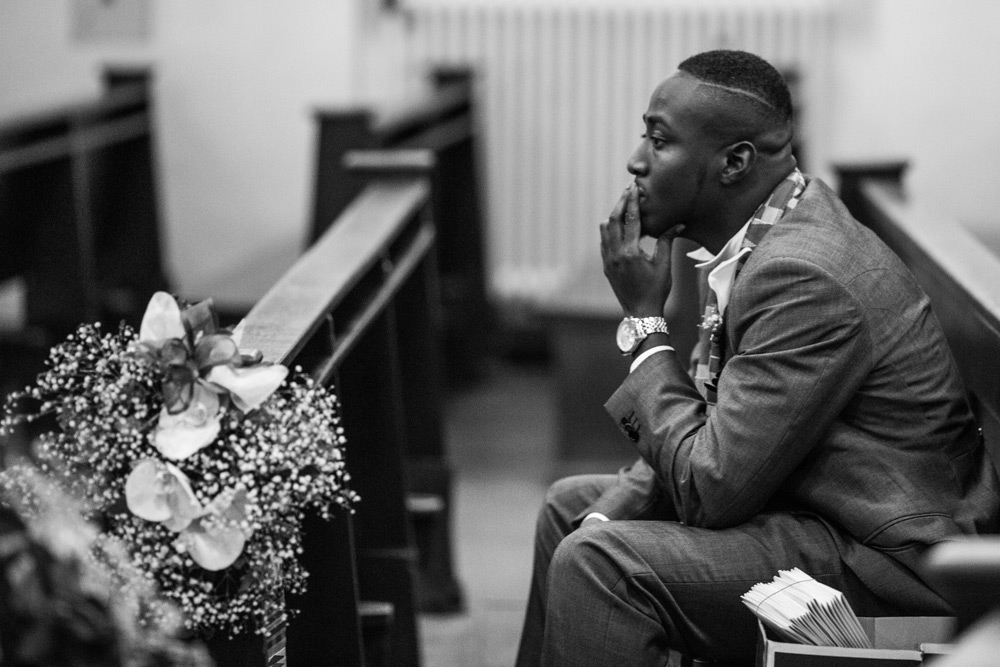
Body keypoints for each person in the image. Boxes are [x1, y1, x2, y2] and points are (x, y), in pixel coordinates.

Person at [515, 49, 1000, 667]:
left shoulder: (803, 274)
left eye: (659, 141)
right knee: (570, 511)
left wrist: (644, 321)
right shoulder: (763, 235)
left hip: (887, 564)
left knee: (600, 565)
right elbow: (714, 416)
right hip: (812, 506)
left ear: (734, 162)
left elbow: (710, 487)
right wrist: (610, 511)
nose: (636, 161)